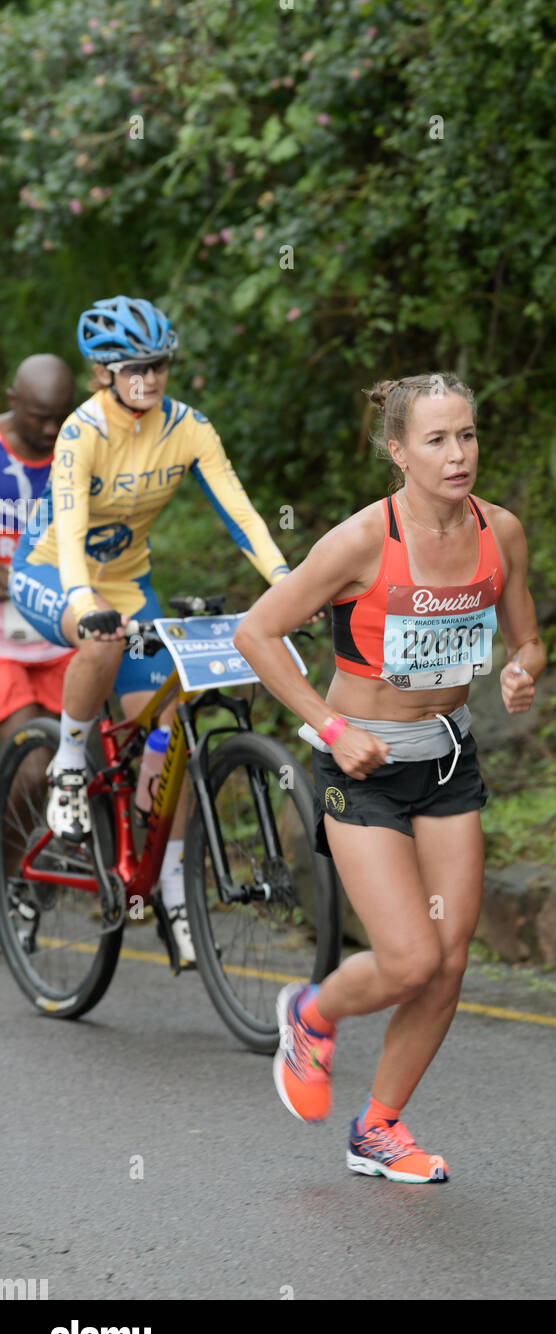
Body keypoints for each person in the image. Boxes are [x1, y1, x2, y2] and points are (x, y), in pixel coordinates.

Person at [234, 372, 545, 1184]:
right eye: (436, 440)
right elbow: (257, 632)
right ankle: (311, 1014)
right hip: (361, 765)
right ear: (396, 451)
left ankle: (377, 1127)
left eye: (467, 436)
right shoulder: (360, 542)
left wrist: (521, 671)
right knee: (407, 960)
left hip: (447, 762)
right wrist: (331, 727)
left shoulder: (499, 532)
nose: (457, 454)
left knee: (448, 961)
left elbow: (527, 639)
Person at [10, 295, 293, 964]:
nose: (148, 379)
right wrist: (81, 599)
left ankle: (168, 887)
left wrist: (286, 581)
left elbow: (240, 514)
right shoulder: (81, 431)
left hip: (131, 583)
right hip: (54, 572)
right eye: (132, 368)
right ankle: (73, 766)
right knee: (101, 638)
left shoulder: (190, 428)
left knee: (172, 736)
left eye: (158, 366)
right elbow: (72, 528)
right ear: (104, 373)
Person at [0, 355, 76, 743]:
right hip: (3, 640)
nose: (51, 428)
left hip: (57, 625)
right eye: (39, 416)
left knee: (66, 763)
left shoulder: (79, 451)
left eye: (61, 416)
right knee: (29, 760)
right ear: (12, 400)